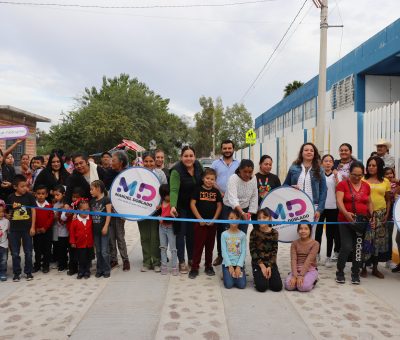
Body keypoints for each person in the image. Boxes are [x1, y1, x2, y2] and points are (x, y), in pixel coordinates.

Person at [336, 161, 374, 285]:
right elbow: (339, 201)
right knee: (346, 247)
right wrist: (346, 213)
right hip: (345, 220)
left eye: (360, 175)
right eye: (354, 175)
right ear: (349, 172)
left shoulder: (366, 186)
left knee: (358, 248)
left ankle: (355, 272)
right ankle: (340, 271)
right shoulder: (342, 185)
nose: (357, 177)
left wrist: (372, 216)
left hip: (361, 222)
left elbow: (369, 202)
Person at [170, 146, 203, 274]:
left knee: (192, 235)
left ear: (194, 157)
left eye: (191, 156)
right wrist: (173, 205)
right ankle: (182, 261)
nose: (189, 158)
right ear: (181, 157)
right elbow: (173, 190)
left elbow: (205, 181)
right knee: (181, 235)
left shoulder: (199, 166)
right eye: (186, 156)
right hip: (181, 208)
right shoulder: (176, 171)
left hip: (194, 208)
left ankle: (191, 259)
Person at [189, 168, 222, 279]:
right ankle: (194, 267)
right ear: (203, 178)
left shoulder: (216, 192)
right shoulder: (197, 190)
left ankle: (208, 266)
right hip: (200, 224)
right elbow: (192, 204)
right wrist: (199, 219)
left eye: (212, 179)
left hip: (212, 224)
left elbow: (219, 206)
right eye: (207, 178)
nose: (209, 181)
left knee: (210, 246)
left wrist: (214, 219)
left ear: (215, 180)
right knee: (198, 246)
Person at [361, 156, 391, 279]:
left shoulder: (385, 181)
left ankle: (375, 268)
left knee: (378, 242)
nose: (371, 167)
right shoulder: (362, 179)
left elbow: (388, 200)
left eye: (374, 165)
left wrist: (386, 214)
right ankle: (363, 267)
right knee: (366, 241)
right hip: (366, 215)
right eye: (369, 165)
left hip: (380, 214)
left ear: (379, 167)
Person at [211, 140, 239, 267]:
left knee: (234, 228)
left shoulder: (239, 164)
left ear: (233, 149)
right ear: (221, 149)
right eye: (225, 148)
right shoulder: (215, 164)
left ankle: (234, 255)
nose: (227, 150)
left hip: (234, 202)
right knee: (221, 229)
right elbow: (211, 180)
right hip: (220, 201)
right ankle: (221, 255)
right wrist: (220, 193)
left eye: (229, 148)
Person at [138, 152, 167, 272]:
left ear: (155, 161)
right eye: (146, 161)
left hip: (156, 211)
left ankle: (156, 261)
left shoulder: (160, 174)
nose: (149, 163)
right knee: (144, 236)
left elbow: (166, 191)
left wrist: (161, 205)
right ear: (142, 162)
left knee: (155, 237)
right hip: (140, 210)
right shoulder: (137, 173)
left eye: (151, 161)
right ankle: (146, 261)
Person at [283, 142, 327, 221]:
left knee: (311, 232)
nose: (309, 152)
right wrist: (290, 187)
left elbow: (323, 191)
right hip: (295, 206)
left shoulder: (320, 169)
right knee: (296, 232)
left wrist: (319, 209)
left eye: (311, 150)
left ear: (314, 153)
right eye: (306, 150)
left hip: (313, 206)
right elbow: (284, 185)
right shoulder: (293, 167)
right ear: (301, 153)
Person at [104, 151, 130, 271]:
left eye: (113, 160)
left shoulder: (128, 174)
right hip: (109, 210)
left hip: (121, 211)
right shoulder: (108, 173)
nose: (111, 162)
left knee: (120, 236)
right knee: (110, 236)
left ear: (121, 162)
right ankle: (113, 259)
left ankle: (125, 260)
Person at [8, 174, 36, 282]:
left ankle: (28, 272)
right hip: (14, 230)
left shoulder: (29, 196)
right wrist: (9, 213)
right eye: (22, 186)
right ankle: (16, 273)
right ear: (15, 187)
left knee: (28, 251)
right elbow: (8, 212)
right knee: (15, 253)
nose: (25, 188)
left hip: (27, 229)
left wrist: (33, 226)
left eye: (26, 186)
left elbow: (33, 210)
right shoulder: (10, 197)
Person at [316, 154, 341, 267]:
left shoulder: (337, 175)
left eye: (330, 161)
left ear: (333, 163)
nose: (328, 163)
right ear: (322, 163)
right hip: (320, 207)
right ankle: (316, 255)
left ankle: (328, 257)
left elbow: (339, 188)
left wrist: (336, 177)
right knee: (318, 232)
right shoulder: (318, 175)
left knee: (330, 234)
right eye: (325, 161)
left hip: (333, 207)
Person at [250, 208, 282, 292]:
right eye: (259, 218)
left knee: (277, 287)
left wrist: (269, 266)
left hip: (270, 262)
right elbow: (253, 251)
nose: (261, 220)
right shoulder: (254, 232)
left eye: (264, 217)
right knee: (262, 287)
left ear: (270, 218)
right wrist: (262, 265)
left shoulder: (274, 232)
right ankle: (258, 276)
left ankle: (268, 277)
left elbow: (274, 251)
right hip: (258, 262)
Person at [223, 159, 258, 235]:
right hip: (230, 210)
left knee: (242, 235)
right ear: (239, 170)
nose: (247, 174)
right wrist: (242, 213)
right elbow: (233, 199)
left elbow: (254, 196)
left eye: (250, 172)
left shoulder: (254, 178)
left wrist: (249, 213)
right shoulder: (233, 178)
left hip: (245, 210)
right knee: (229, 236)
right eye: (245, 171)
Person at [285, 222, 319, 292]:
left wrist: (301, 275)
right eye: (301, 229)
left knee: (303, 287)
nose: (303, 231)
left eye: (306, 229)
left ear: (310, 231)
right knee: (289, 286)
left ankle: (314, 280)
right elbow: (293, 260)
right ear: (298, 231)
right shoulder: (294, 243)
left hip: (310, 269)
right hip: (297, 269)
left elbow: (309, 261)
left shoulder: (315, 244)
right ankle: (292, 274)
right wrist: (294, 275)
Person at [90, 180, 112, 278]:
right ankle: (99, 269)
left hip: (104, 230)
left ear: (98, 189)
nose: (90, 191)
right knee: (98, 251)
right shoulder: (92, 201)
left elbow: (108, 214)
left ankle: (107, 269)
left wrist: (106, 226)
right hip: (95, 230)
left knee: (104, 251)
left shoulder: (106, 200)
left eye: (92, 189)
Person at [221, 210, 247, 289]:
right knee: (229, 285)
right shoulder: (224, 234)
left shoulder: (242, 235)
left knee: (241, 285)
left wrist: (239, 266)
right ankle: (226, 274)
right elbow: (224, 252)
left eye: (236, 218)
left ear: (240, 220)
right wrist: (230, 266)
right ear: (228, 219)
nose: (234, 220)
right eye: (231, 218)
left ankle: (238, 274)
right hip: (227, 264)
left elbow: (243, 252)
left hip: (238, 264)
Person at [69, 199, 93, 279]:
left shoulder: (90, 219)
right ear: (78, 210)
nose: (86, 211)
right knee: (81, 259)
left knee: (88, 259)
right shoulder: (75, 221)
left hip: (89, 244)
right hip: (80, 244)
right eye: (83, 210)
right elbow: (72, 232)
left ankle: (87, 271)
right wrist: (72, 242)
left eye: (87, 209)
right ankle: (81, 271)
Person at [32, 185, 54, 274]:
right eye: (38, 194)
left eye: (43, 194)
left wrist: (45, 228)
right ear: (35, 195)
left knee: (47, 249)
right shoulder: (33, 206)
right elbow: (32, 218)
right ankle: (37, 265)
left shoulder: (49, 205)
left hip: (47, 231)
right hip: (37, 231)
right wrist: (36, 228)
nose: (40, 195)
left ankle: (46, 265)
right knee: (37, 249)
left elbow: (51, 218)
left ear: (46, 194)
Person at [158, 184, 178, 275]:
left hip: (170, 228)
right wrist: (159, 216)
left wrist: (165, 218)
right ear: (163, 195)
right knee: (163, 247)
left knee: (173, 249)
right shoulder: (161, 203)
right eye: (167, 195)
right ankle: (164, 266)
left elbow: (175, 216)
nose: (170, 196)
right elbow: (159, 213)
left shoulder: (173, 204)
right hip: (161, 228)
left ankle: (174, 267)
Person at [384, 167, 398, 270]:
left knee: (389, 237)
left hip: (392, 213)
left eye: (391, 173)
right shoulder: (382, 183)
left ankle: (388, 260)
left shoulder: (396, 185)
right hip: (381, 210)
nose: (390, 175)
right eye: (387, 174)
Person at [52, 185, 69, 272]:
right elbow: (54, 218)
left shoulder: (67, 204)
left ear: (63, 194)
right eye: (55, 195)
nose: (56, 197)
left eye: (58, 195)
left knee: (67, 247)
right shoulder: (55, 205)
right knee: (60, 248)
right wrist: (56, 213)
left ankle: (68, 263)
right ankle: (62, 264)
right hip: (58, 231)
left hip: (67, 230)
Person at [0, 203, 10, 281]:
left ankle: (3, 272)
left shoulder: (6, 221)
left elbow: (8, 231)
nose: (1, 213)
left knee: (4, 259)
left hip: (4, 244)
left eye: (2, 211)